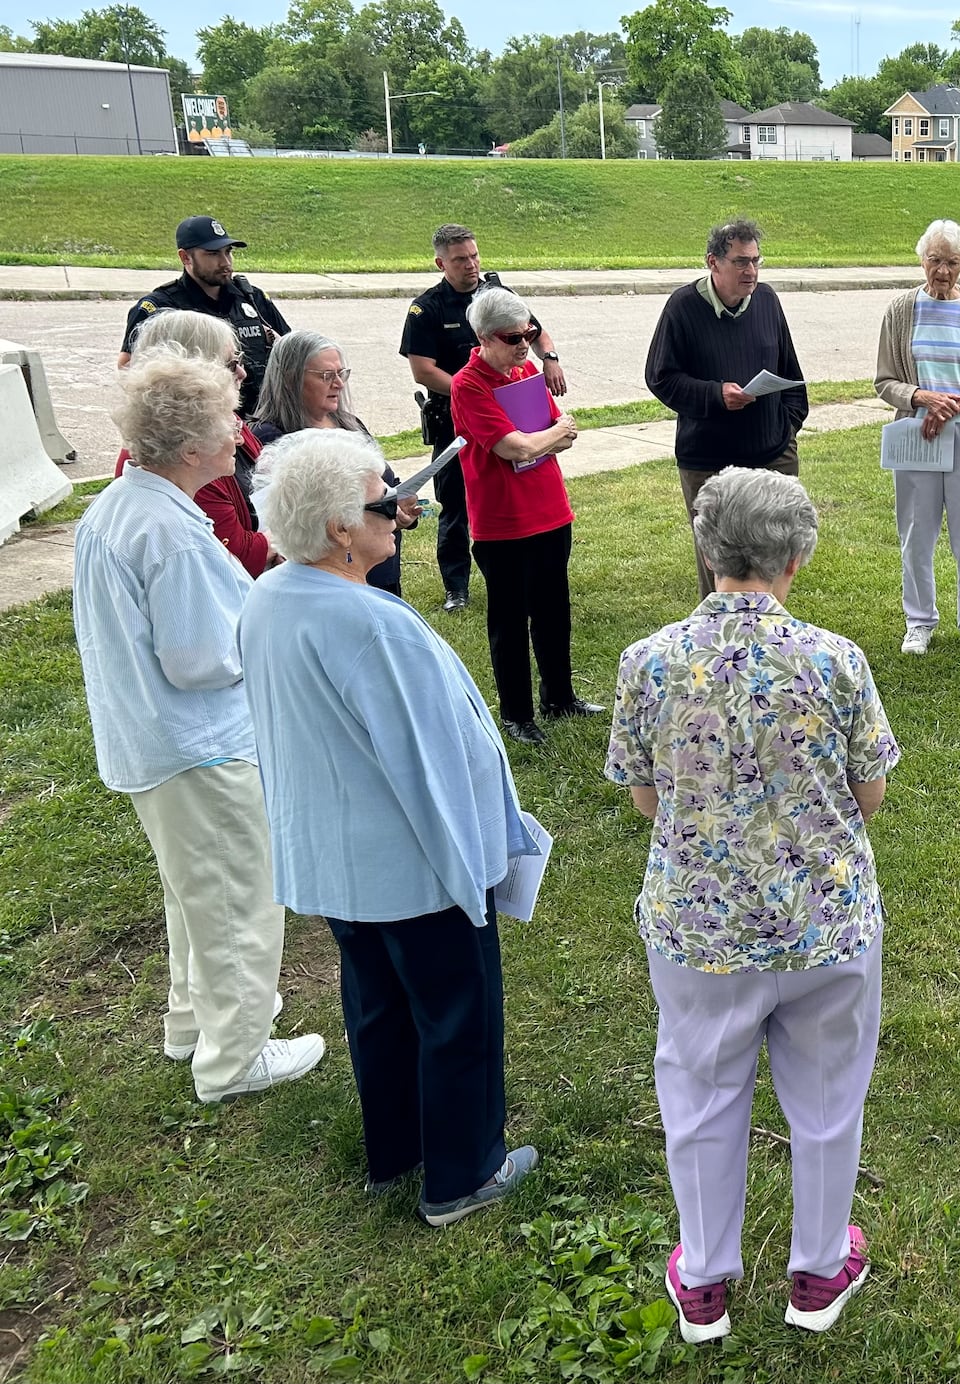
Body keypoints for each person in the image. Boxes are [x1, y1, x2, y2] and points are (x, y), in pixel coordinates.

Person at [606, 469, 899, 1344]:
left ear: (706, 550)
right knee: (828, 1096)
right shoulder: (836, 659)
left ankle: (702, 1279)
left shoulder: (648, 662)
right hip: (827, 920)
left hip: (700, 925)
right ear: (795, 559)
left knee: (699, 1094)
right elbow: (869, 792)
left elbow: (645, 796)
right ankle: (817, 1269)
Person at [239, 430, 539, 1227]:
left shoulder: (270, 596)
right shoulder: (373, 624)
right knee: (456, 1012)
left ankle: (397, 1150)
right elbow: (429, 764)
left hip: (337, 861)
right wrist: (474, 868)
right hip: (413, 866)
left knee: (376, 1004)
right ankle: (464, 1174)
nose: (402, 510)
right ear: (339, 528)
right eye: (384, 499)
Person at [73, 347, 324, 1104]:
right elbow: (197, 657)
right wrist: (264, 634)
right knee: (236, 895)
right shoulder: (173, 533)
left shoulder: (123, 504)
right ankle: (235, 1057)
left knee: (192, 894)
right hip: (198, 743)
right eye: (226, 423)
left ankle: (193, 1021)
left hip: (153, 740)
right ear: (188, 448)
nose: (238, 434)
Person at [451, 287, 599, 746]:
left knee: (554, 609)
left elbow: (563, 433)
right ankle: (518, 713)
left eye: (529, 333)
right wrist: (544, 437)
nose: (523, 344)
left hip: (551, 510)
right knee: (509, 618)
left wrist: (545, 437)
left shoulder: (526, 370)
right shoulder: (468, 384)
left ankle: (560, 696)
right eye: (513, 336)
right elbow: (512, 446)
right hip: (502, 522)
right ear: (484, 337)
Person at [400, 223, 567, 613]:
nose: (471, 265)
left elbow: (536, 332)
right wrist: (476, 394)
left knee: (518, 480)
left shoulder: (499, 297)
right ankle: (456, 586)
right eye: (460, 259)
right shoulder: (427, 308)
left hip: (512, 413)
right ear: (441, 263)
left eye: (474, 255)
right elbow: (423, 370)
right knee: (455, 502)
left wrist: (550, 359)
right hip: (455, 419)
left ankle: (526, 567)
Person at [644, 219, 810, 598]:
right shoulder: (682, 308)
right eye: (740, 262)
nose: (750, 271)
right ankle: (717, 648)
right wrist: (717, 395)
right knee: (721, 564)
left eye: (755, 261)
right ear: (713, 262)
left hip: (772, 455)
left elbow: (791, 373)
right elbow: (661, 378)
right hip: (708, 461)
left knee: (777, 555)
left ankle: (771, 639)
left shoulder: (767, 300)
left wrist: (787, 428)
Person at [873, 219, 960, 658]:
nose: (943, 271)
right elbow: (884, 381)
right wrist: (920, 397)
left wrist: (956, 403)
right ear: (922, 260)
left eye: (952, 262)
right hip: (917, 438)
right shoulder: (899, 311)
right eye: (935, 260)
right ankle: (919, 622)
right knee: (916, 532)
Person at [252, 330, 416, 597]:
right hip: (325, 581)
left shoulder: (351, 425)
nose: (339, 383)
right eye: (327, 376)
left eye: (342, 373)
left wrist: (402, 508)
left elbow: (386, 484)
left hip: (379, 568)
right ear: (291, 378)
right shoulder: (271, 439)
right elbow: (273, 519)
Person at [115, 309, 275, 578]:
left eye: (240, 360)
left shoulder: (226, 421)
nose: (243, 372)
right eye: (230, 363)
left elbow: (267, 479)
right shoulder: (183, 456)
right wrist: (285, 536)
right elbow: (236, 557)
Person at [119, 216, 290, 418]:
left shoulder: (252, 298)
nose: (225, 262)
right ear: (185, 258)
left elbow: (291, 350)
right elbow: (128, 367)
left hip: (262, 422)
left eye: (228, 252)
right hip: (201, 427)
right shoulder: (160, 308)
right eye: (213, 254)